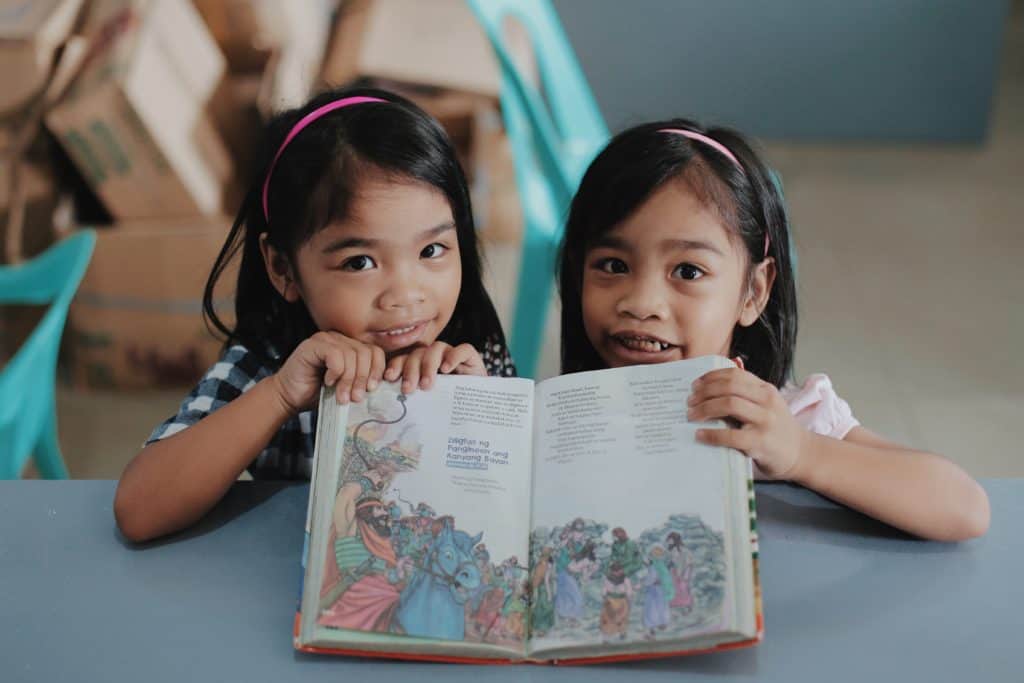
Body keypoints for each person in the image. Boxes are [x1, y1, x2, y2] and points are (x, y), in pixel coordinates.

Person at [557, 120, 989, 542]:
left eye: (688, 271)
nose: (641, 303)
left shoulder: (784, 421)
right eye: (613, 265)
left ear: (754, 293)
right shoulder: (559, 427)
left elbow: (965, 508)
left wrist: (803, 453)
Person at [115, 88, 514, 542]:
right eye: (359, 262)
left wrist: (475, 407)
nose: (406, 296)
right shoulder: (272, 361)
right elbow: (138, 511)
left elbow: (510, 514)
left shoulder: (472, 355)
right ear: (283, 267)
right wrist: (281, 396)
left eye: (432, 250)